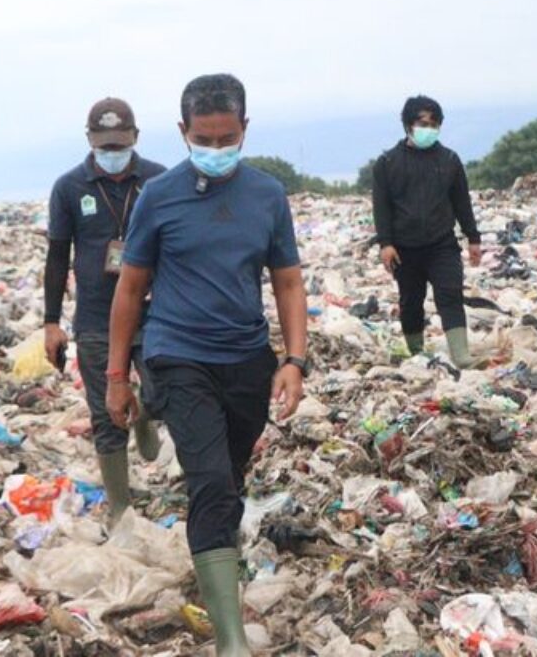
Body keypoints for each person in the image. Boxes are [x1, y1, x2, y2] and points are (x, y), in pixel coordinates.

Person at [107, 74, 308, 657]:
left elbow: (287, 281)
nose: (216, 150)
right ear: (182, 131)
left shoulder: (266, 195)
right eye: (203, 139)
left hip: (245, 357)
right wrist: (116, 376)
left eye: (227, 139)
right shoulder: (159, 197)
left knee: (231, 475)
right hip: (177, 352)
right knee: (212, 484)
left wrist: (294, 360)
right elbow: (130, 288)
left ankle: (218, 554)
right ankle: (231, 640)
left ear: (245, 129)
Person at [45, 97, 166, 524]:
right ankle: (120, 508)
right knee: (105, 415)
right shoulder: (69, 187)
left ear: (135, 137)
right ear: (90, 140)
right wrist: (51, 322)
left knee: (166, 391)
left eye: (120, 143)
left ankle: (145, 414)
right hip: (96, 315)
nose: (113, 152)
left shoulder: (158, 181)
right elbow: (57, 256)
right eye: (104, 145)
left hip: (155, 312)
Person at [372, 95, 483, 368]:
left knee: (450, 294)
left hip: (441, 244)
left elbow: (461, 202)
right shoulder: (388, 163)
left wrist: (473, 238)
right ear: (408, 125)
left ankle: (461, 355)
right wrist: (386, 243)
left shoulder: (449, 160)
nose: (429, 129)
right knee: (411, 301)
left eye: (434, 124)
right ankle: (416, 353)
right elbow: (381, 207)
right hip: (404, 247)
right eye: (423, 124)